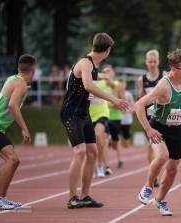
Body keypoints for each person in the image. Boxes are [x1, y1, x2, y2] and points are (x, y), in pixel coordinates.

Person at [60, 33, 128, 209]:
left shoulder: (92, 65)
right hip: (71, 114)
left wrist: (103, 78)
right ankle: (72, 197)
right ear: (107, 51)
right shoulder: (86, 63)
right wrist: (113, 99)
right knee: (80, 152)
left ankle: (85, 196)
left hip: (84, 114)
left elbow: (88, 79)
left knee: (93, 152)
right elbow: (88, 85)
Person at [135, 49, 181, 216]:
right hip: (159, 128)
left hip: (176, 129)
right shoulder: (163, 85)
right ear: (174, 69)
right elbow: (139, 105)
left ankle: (160, 200)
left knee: (172, 169)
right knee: (162, 156)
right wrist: (148, 128)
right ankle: (148, 186)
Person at [0, 54, 37, 210]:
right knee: (12, 160)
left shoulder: (13, 79)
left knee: (12, 160)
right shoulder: (20, 84)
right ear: (33, 71)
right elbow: (13, 104)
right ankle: (0, 198)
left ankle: (1, 198)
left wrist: (22, 89)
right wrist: (24, 128)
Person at [137, 49, 167, 187]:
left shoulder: (164, 75)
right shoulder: (141, 80)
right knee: (150, 146)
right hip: (149, 118)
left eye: (155, 61)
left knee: (165, 148)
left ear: (158, 62)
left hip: (163, 116)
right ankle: (153, 176)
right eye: (150, 61)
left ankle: (161, 171)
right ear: (146, 62)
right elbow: (140, 98)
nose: (153, 64)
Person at [89, 72, 115, 178]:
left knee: (98, 135)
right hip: (89, 115)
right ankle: (92, 166)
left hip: (103, 114)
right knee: (91, 143)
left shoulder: (102, 79)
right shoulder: (85, 80)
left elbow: (114, 85)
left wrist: (112, 99)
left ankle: (100, 165)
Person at [102, 64, 125, 169]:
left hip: (115, 117)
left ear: (113, 73)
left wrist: (114, 105)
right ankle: (105, 164)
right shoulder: (99, 85)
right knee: (103, 138)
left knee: (115, 142)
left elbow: (123, 103)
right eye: (104, 72)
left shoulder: (118, 85)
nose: (106, 73)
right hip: (103, 116)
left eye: (108, 71)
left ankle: (120, 158)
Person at [120, 79, 135, 148]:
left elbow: (133, 106)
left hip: (127, 118)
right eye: (120, 84)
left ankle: (127, 148)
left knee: (126, 134)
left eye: (122, 84)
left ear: (125, 85)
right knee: (118, 135)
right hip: (118, 117)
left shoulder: (128, 94)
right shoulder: (115, 92)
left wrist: (127, 110)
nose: (121, 86)